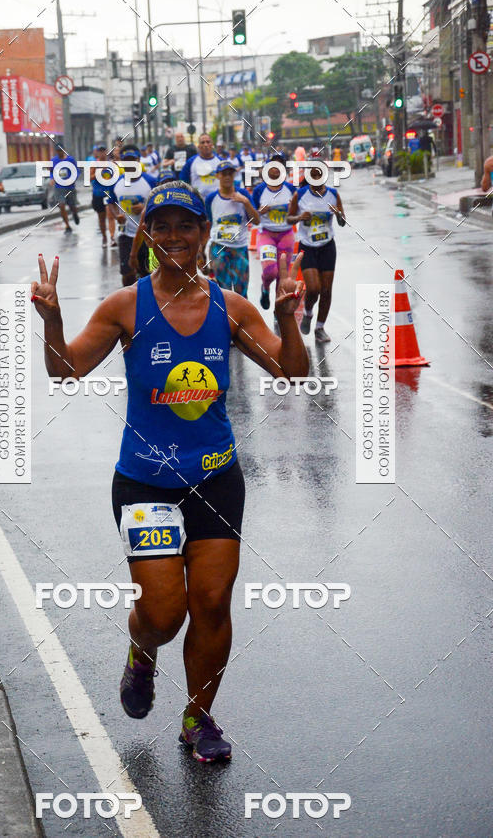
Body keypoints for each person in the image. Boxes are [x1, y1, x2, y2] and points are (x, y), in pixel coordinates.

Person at [30, 179, 308, 763]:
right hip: (144, 482)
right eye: (162, 226)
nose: (174, 236)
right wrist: (51, 321)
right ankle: (142, 652)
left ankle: (198, 718)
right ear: (147, 236)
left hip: (214, 477)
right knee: (162, 614)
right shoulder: (124, 307)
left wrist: (288, 321)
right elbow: (65, 370)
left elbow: (293, 373)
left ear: (205, 234)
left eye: (187, 225)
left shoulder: (230, 308)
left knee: (211, 603)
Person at [287, 162, 346, 343]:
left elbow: (343, 222)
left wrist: (338, 215)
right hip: (308, 246)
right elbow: (289, 219)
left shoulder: (333, 194)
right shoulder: (301, 194)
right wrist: (299, 217)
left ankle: (320, 328)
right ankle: (308, 312)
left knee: (326, 290)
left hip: (327, 245)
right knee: (313, 289)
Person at [205, 160, 259, 298]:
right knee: (224, 292)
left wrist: (246, 203)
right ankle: (226, 319)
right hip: (219, 248)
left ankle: (240, 319)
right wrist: (201, 251)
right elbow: (207, 224)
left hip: (239, 249)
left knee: (242, 292)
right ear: (218, 176)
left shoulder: (244, 195)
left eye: (230, 174)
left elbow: (257, 220)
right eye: (224, 174)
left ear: (234, 175)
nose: (227, 177)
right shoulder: (211, 198)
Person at [106, 145, 156, 286]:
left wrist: (145, 208)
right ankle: (130, 303)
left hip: (149, 237)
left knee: (151, 274)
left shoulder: (151, 181)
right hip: (125, 235)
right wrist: (117, 216)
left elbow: (160, 206)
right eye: (126, 161)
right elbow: (110, 202)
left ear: (139, 160)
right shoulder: (116, 182)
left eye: (133, 160)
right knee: (127, 274)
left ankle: (150, 304)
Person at [252, 154, 297, 310]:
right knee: (270, 271)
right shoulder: (259, 190)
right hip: (266, 234)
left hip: (286, 235)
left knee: (281, 276)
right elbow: (252, 217)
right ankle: (265, 288)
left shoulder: (291, 189)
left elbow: (296, 214)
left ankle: (279, 315)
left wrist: (293, 211)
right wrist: (259, 211)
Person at [179, 134, 221, 199]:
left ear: (212, 145)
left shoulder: (221, 161)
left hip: (217, 200)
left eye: (208, 142)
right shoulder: (191, 162)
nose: (206, 145)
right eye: (202, 142)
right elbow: (182, 182)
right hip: (198, 202)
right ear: (198, 146)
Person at [90, 144, 116, 247]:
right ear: (97, 153)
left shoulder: (111, 164)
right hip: (98, 194)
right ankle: (104, 237)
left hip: (108, 194)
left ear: (107, 152)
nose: (102, 153)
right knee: (101, 218)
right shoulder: (94, 164)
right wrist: (98, 172)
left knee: (110, 216)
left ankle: (112, 238)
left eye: (104, 151)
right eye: (100, 151)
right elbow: (89, 178)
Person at [51, 142, 80, 234]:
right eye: (58, 151)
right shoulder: (53, 160)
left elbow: (77, 171)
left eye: (61, 150)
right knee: (62, 205)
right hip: (59, 187)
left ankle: (74, 213)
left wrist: (73, 179)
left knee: (72, 206)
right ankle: (67, 226)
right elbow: (51, 172)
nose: (60, 152)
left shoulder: (70, 159)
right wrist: (52, 178)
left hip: (70, 186)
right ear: (56, 151)